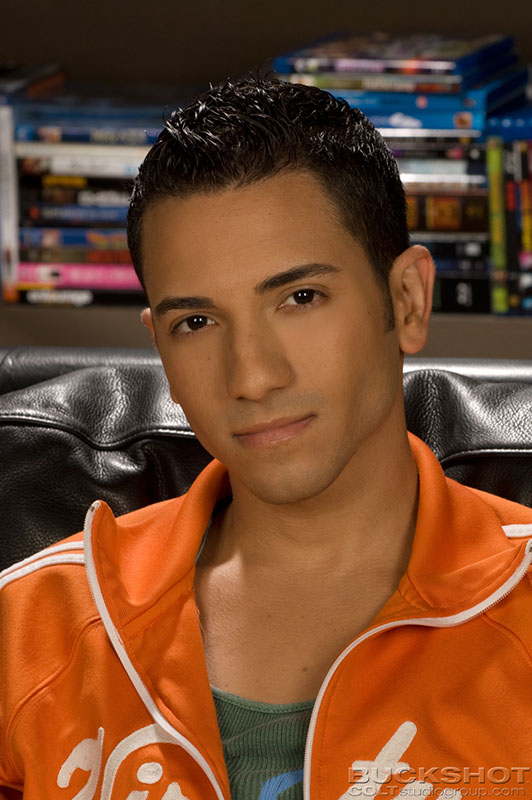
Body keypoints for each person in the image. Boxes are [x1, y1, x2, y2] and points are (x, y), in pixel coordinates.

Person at [2, 78, 532, 800]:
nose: (252, 377)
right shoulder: (29, 628)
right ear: (160, 348)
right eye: (196, 323)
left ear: (407, 300)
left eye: (300, 298)